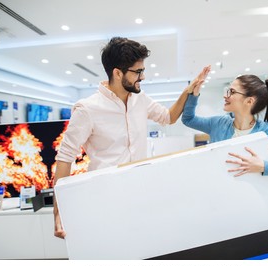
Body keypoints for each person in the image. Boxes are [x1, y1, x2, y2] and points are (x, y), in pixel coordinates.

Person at [53, 36, 211, 238]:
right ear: (117, 73)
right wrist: (59, 211)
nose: (143, 77)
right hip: (105, 197)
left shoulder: (140, 99)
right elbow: (65, 157)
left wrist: (188, 91)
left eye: (143, 70)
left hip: (140, 191)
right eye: (138, 72)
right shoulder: (87, 109)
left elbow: (168, 117)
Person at [182, 74, 268, 178]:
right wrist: (194, 94)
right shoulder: (218, 123)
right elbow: (188, 119)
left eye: (232, 92)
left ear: (249, 101)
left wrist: (264, 166)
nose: (225, 96)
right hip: (220, 196)